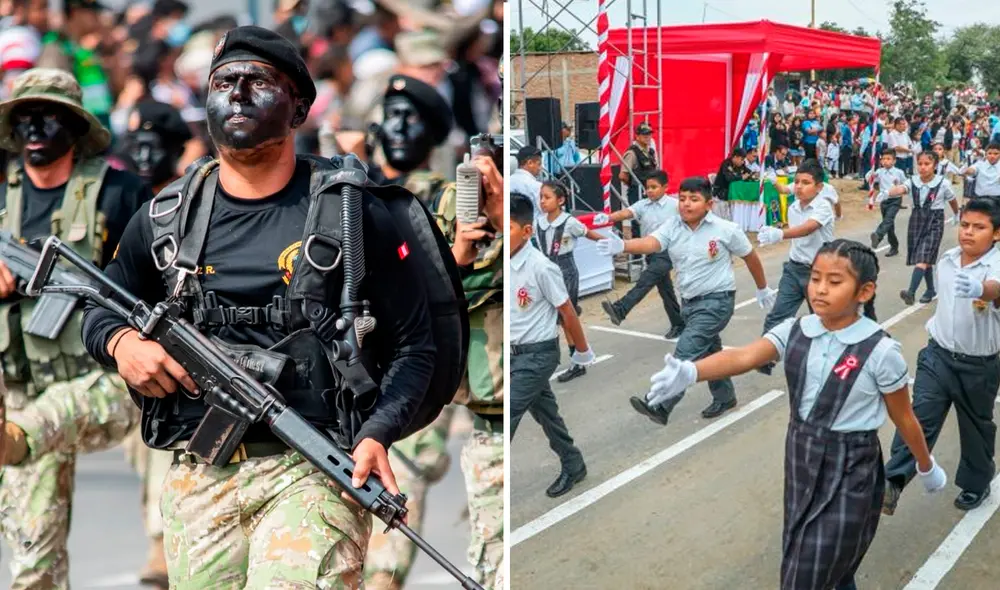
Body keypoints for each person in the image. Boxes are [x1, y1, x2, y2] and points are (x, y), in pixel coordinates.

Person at [80, 26, 436, 587]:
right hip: (199, 475)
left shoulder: (352, 213)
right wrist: (122, 343)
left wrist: (377, 433)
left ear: (298, 109)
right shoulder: (165, 217)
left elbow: (418, 345)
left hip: (316, 465)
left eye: (259, 80)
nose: (239, 92)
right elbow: (99, 306)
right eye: (224, 81)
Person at [645, 238, 943, 590]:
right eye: (815, 278)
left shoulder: (881, 351)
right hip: (801, 456)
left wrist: (925, 465)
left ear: (864, 292)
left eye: (834, 282)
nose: (819, 289)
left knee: (805, 575)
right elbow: (744, 356)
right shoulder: (795, 330)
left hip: (852, 468)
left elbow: (903, 417)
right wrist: (692, 372)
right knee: (822, 559)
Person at [0, 68, 150, 589]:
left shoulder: (120, 195)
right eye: (24, 119)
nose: (35, 130)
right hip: (21, 392)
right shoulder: (3, 205)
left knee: (28, 432)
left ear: (75, 126)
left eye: (49, 117)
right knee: (32, 558)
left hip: (108, 380)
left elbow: (159, 286)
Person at [362, 73, 458, 590]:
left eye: (413, 118)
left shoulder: (446, 202)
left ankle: (384, 578)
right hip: (352, 357)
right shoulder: (347, 188)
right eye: (391, 115)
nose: (399, 127)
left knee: (406, 467)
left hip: (416, 358)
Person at [598, 176, 776, 424]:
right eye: (682, 198)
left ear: (708, 204)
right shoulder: (672, 226)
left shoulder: (726, 229)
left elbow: (750, 256)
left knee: (685, 352)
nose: (686, 204)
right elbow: (651, 243)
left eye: (694, 199)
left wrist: (762, 288)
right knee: (708, 350)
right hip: (689, 303)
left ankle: (660, 404)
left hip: (717, 302)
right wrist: (623, 245)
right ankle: (725, 397)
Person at [115, 98, 192, 589]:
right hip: (140, 345)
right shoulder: (126, 200)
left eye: (155, 145)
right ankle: (159, 538)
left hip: (190, 344)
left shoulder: (196, 197)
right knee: (146, 451)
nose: (144, 155)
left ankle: (164, 544)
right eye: (136, 145)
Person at [883, 199, 1000, 515]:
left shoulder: (997, 263)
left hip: (979, 366)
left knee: (976, 427)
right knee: (919, 416)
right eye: (965, 225)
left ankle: (976, 483)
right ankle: (892, 481)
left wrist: (982, 289)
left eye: (979, 227)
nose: (969, 233)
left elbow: (995, 289)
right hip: (938, 356)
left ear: (997, 233)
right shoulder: (948, 260)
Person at [510, 193, 595, 498]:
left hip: (538, 354)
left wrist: (582, 351)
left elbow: (567, 311)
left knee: (506, 418)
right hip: (513, 355)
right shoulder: (502, 261)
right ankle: (574, 464)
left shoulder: (540, 267)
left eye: (507, 228)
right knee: (546, 414)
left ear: (526, 231)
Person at [756, 160, 837, 375]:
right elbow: (785, 188)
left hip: (820, 272)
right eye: (797, 182)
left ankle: (828, 365)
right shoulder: (796, 200)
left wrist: (780, 233)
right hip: (794, 269)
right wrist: (773, 181)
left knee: (823, 319)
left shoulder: (823, 205)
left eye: (805, 183)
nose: (799, 186)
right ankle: (765, 357)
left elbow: (809, 228)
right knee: (778, 314)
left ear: (819, 187)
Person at [595, 170, 685, 339]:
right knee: (666, 290)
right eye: (647, 187)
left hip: (667, 251)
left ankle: (621, 309)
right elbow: (626, 213)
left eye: (654, 187)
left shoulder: (675, 205)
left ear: (665, 187)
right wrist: (608, 218)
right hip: (650, 251)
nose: (649, 190)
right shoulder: (642, 205)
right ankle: (679, 323)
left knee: (645, 280)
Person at [535, 181, 604, 383]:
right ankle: (552, 357)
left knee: (567, 318)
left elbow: (589, 234)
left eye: (547, 197)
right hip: (546, 269)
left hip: (565, 270)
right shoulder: (539, 222)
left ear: (561, 200)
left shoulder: (569, 222)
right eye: (541, 197)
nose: (542, 201)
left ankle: (578, 361)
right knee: (549, 317)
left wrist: (612, 244)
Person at [37, 0, 115, 130]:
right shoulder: (56, 47)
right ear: (76, 11)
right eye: (92, 10)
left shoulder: (81, 48)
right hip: (77, 135)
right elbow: (51, 97)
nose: (98, 15)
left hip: (94, 131)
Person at [900, 151, 960, 306]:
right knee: (926, 258)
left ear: (935, 166)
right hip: (916, 220)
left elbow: (952, 200)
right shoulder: (912, 181)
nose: (923, 167)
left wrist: (957, 214)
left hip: (934, 221)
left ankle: (911, 292)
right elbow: (901, 189)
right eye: (920, 164)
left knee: (923, 256)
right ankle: (931, 290)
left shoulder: (943, 183)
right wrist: (888, 192)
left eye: (927, 164)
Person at [868, 151, 908, 257]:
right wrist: (871, 173)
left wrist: (900, 190)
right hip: (884, 201)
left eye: (888, 159)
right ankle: (894, 247)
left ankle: (878, 235)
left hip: (895, 200)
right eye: (883, 159)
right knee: (889, 226)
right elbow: (870, 179)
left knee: (888, 220)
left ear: (894, 161)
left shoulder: (899, 172)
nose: (885, 161)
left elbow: (906, 185)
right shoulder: (879, 171)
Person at [619, 122, 657, 204]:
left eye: (649, 134)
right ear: (637, 136)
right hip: (637, 194)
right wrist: (635, 184)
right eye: (644, 135)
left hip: (649, 192)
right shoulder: (632, 153)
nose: (648, 137)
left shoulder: (650, 152)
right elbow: (623, 176)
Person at [711, 148, 752, 220]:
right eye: (741, 159)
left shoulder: (741, 165)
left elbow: (748, 172)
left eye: (743, 160)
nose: (743, 162)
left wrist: (753, 174)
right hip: (722, 192)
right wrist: (741, 177)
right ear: (735, 157)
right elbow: (729, 178)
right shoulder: (726, 163)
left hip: (734, 193)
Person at [510, 145, 543, 214]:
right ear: (530, 163)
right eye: (539, 164)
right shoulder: (536, 186)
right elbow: (544, 211)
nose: (540, 168)